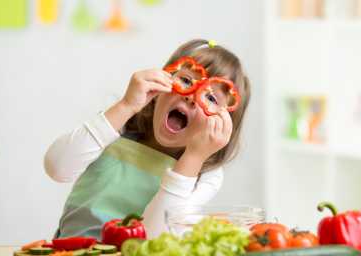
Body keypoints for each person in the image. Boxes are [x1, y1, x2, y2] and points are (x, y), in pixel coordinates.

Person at [44, 39, 251, 239]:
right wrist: (125, 106)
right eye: (186, 80)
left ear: (223, 124)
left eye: (211, 98)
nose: (191, 96)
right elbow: (57, 168)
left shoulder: (206, 174)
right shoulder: (117, 127)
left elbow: (156, 237)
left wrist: (193, 158)